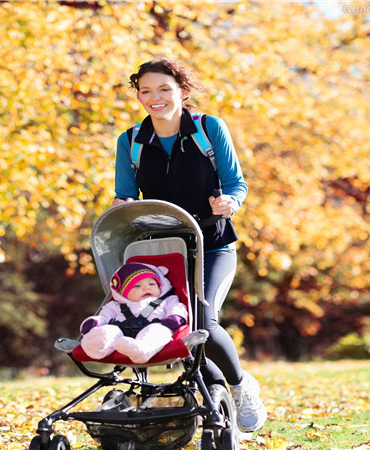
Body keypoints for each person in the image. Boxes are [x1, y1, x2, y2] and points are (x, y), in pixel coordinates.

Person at [111, 57, 267, 433]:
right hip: (161, 252)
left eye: (164, 89)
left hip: (212, 245)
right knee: (172, 326)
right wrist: (122, 206)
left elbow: (236, 184)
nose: (155, 97)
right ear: (138, 96)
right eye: (146, 91)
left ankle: (240, 384)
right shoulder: (130, 141)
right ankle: (213, 390)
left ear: (182, 91)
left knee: (202, 319)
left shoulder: (208, 129)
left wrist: (231, 203)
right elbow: (125, 196)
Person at [79, 262, 187, 364]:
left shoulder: (167, 300)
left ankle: (141, 350)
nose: (146, 287)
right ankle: (95, 346)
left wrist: (175, 317)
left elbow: (177, 307)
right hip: (121, 333)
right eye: (137, 286)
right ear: (123, 294)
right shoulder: (116, 306)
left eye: (152, 283)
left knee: (157, 331)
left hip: (154, 327)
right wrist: (96, 322)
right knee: (108, 330)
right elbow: (105, 316)